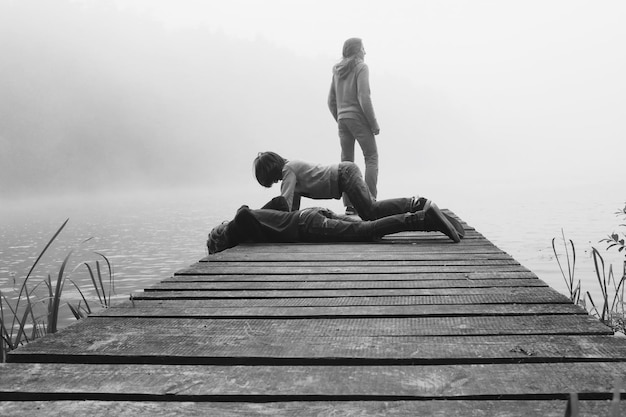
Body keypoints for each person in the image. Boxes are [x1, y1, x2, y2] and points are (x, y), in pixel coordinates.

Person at [253, 152, 464, 237]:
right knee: (370, 211)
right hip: (345, 173)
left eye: (267, 179)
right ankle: (417, 205)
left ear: (270, 171)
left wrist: (265, 221)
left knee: (370, 212)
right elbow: (292, 210)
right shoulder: (291, 171)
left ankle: (417, 204)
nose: (272, 183)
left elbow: (284, 205)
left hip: (343, 174)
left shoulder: (287, 171)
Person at [207, 197, 461, 255]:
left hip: (310, 225)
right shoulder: (253, 219)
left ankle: (422, 219)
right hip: (311, 215)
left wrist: (239, 235)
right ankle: (421, 212)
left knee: (367, 232)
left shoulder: (240, 224)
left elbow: (243, 216)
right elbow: (282, 201)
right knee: (369, 226)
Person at [328, 37, 380, 215]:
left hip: (343, 119)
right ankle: (370, 201)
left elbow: (330, 101)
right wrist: (373, 124)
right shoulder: (361, 67)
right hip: (357, 117)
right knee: (371, 157)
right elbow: (363, 97)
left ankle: (350, 206)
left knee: (346, 163)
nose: (365, 52)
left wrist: (341, 118)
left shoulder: (337, 70)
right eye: (363, 48)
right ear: (357, 51)